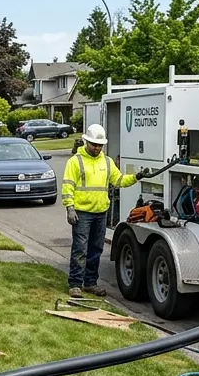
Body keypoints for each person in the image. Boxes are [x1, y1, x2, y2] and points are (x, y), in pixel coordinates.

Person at [61, 123, 145, 296]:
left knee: (96, 249)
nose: (97, 148)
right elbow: (67, 186)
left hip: (100, 212)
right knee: (80, 248)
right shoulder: (75, 162)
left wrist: (136, 177)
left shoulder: (107, 162)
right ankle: (75, 284)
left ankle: (90, 282)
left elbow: (119, 180)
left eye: (100, 145)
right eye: (94, 144)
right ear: (86, 142)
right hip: (82, 213)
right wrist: (70, 208)